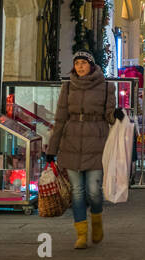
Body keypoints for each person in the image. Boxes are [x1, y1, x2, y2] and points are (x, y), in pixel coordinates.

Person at [45, 52, 123, 249]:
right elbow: (60, 118)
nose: (80, 67)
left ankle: (96, 218)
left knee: (94, 191)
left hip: (96, 143)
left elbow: (109, 117)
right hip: (70, 143)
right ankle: (81, 234)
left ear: (91, 65)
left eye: (84, 63)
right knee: (78, 192)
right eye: (77, 63)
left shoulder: (106, 87)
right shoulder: (68, 86)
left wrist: (117, 115)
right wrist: (52, 149)